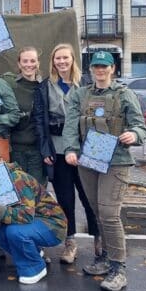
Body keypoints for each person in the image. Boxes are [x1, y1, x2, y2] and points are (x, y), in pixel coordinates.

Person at [63, 51, 146, 291]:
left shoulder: (124, 94)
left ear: (113, 69)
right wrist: (71, 149)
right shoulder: (80, 94)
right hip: (89, 160)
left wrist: (134, 135)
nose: (100, 70)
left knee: (110, 214)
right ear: (91, 70)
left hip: (116, 160)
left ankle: (118, 268)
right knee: (98, 212)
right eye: (96, 66)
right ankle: (105, 258)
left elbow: (140, 126)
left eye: (104, 66)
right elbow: (71, 125)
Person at [33, 43, 99, 264]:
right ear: (53, 61)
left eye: (65, 58)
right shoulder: (45, 86)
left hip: (84, 148)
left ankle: (99, 238)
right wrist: (45, 149)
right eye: (57, 58)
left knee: (89, 196)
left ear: (73, 60)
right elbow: (39, 121)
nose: (61, 62)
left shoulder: (87, 83)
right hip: (58, 148)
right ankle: (70, 241)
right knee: (65, 198)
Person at [0, 147, 67, 284]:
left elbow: (26, 215)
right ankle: (34, 253)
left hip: (53, 225)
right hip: (34, 222)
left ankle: (35, 268)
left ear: (1, 161)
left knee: (14, 231)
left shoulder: (17, 178)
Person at [2, 47, 47, 185]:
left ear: (38, 63)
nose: (29, 64)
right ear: (19, 63)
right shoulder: (10, 85)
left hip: (37, 151)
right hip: (16, 149)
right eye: (25, 61)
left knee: (37, 189)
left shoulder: (44, 87)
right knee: (18, 189)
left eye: (32, 61)